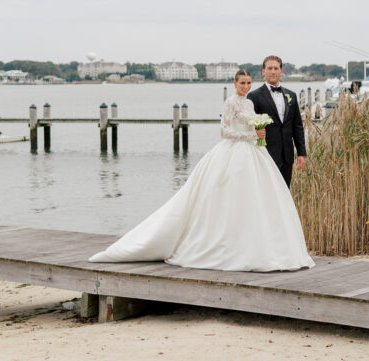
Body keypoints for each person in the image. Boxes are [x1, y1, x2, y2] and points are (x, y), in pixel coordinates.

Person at [89, 69, 314, 272]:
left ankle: (251, 243)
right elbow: (224, 131)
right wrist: (251, 135)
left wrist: (257, 132)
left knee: (254, 198)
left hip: (253, 153)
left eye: (248, 83)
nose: (245, 86)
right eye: (242, 83)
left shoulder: (249, 104)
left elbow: (261, 124)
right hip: (233, 151)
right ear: (235, 83)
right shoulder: (230, 102)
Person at [247, 55, 306, 188]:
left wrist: (301, 153)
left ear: (281, 71)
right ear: (263, 71)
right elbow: (248, 124)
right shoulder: (254, 96)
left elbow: (297, 126)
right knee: (266, 192)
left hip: (287, 156)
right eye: (269, 68)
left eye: (276, 68)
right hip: (264, 154)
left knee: (285, 193)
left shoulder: (291, 95)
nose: (273, 71)